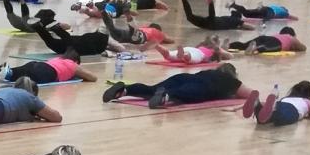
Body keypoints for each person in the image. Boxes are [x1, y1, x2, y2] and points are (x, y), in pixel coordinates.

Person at [102, 63, 242, 108]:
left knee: (151, 89)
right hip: (200, 86)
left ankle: (125, 90)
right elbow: (249, 94)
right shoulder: (230, 81)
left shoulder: (207, 72)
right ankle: (166, 96)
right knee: (184, 93)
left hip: (183, 77)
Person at [238, 80, 310, 128]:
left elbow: (266, 103)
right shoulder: (308, 103)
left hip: (280, 104)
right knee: (270, 118)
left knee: (262, 119)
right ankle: (268, 106)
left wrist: (236, 108)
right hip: (292, 111)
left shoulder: (287, 98)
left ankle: (257, 104)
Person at [176, 0, 244, 31]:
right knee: (190, 17)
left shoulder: (236, 20)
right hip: (209, 25)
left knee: (190, 17)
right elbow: (247, 26)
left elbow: (246, 25)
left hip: (212, 23)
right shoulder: (236, 20)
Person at [226, 27, 305, 56]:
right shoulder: (290, 37)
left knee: (244, 45)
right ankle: (255, 48)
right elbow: (303, 48)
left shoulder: (277, 34)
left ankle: (228, 45)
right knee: (266, 48)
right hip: (276, 42)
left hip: (265, 37)